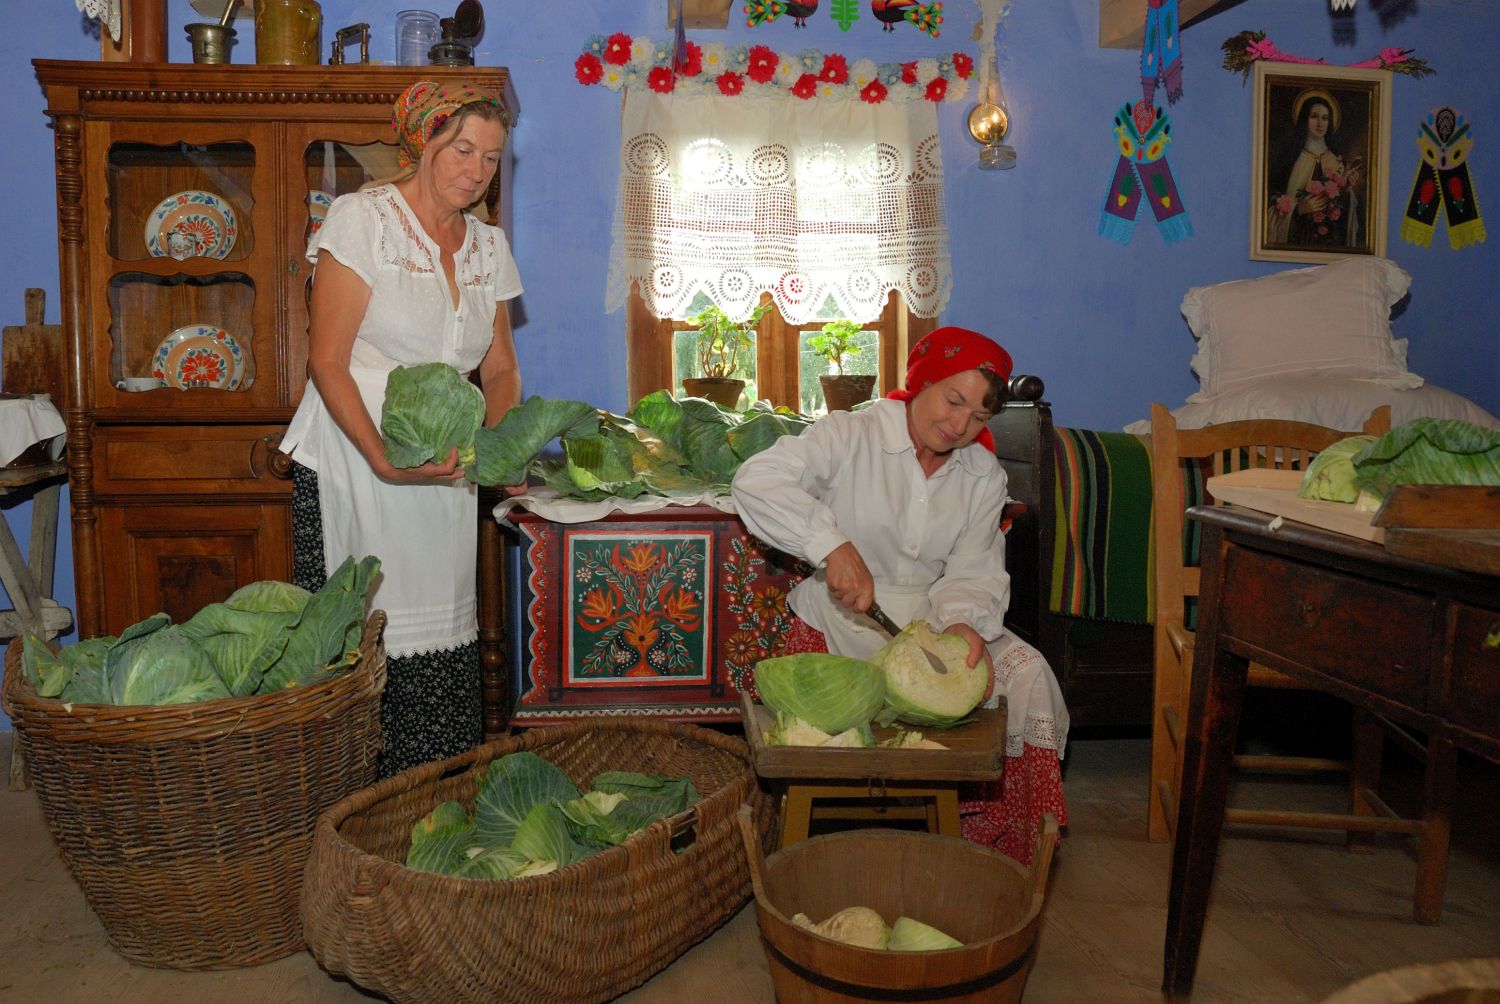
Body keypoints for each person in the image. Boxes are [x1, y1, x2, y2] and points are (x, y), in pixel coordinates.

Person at [731, 326, 1069, 864]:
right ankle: (821, 853)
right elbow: (756, 480)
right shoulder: (850, 434)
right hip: (837, 627)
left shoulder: (982, 474)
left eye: (979, 416)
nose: (960, 425)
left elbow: (974, 568)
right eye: (952, 401)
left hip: (932, 623)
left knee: (1028, 675)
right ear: (921, 381)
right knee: (833, 711)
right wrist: (831, 545)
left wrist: (961, 622)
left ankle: (993, 856)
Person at [279, 79, 524, 777]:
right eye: (462, 149)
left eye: (491, 157)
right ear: (423, 144)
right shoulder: (364, 219)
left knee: (439, 633)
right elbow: (326, 359)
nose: (476, 170)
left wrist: (497, 447)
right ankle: (354, 814)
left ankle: (431, 803)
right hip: (355, 456)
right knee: (360, 639)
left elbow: (501, 371)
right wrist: (385, 458)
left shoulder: (488, 246)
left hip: (441, 464)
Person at [1267, 88, 1363, 248]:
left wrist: (1347, 191)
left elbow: (1343, 212)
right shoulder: (1290, 159)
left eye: (1325, 118)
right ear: (1305, 119)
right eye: (1314, 117)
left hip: (1331, 240)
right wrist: (1298, 209)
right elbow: (1270, 208)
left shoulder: (1336, 159)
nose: (1320, 123)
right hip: (1297, 238)